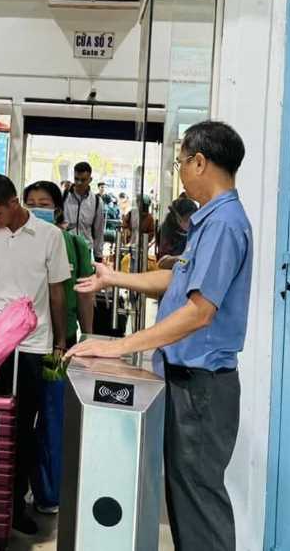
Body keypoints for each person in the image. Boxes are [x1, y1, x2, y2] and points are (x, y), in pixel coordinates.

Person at [68, 121, 252, 551]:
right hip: (188, 382)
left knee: (199, 505)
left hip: (202, 389)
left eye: (182, 161)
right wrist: (115, 278)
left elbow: (198, 312)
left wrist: (119, 346)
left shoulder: (224, 224)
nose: (181, 170)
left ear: (200, 162)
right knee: (187, 499)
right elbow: (177, 282)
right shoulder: (210, 221)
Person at [0, 173, 70, 536]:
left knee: (21, 428)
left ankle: (14, 505)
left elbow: (57, 294)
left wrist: (59, 344)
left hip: (33, 348)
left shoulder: (50, 237)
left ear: (13, 204)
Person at [23, 180, 93, 515]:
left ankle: (48, 492)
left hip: (59, 345)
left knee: (52, 416)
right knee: (21, 414)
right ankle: (19, 483)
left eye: (44, 202)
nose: (37, 207)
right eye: (31, 201)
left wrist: (89, 337)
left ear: (56, 208)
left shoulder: (75, 245)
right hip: (22, 343)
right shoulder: (18, 240)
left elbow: (85, 293)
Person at [63, 161, 103, 259]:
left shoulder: (97, 201)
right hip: (65, 248)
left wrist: (98, 255)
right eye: (76, 179)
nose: (79, 183)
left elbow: (98, 230)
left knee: (85, 275)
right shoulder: (63, 197)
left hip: (85, 249)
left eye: (83, 180)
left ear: (90, 180)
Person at [155, 197, 201, 268]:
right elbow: (162, 262)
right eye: (187, 219)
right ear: (177, 218)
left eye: (194, 218)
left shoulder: (197, 228)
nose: (192, 223)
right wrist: (183, 260)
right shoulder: (167, 229)